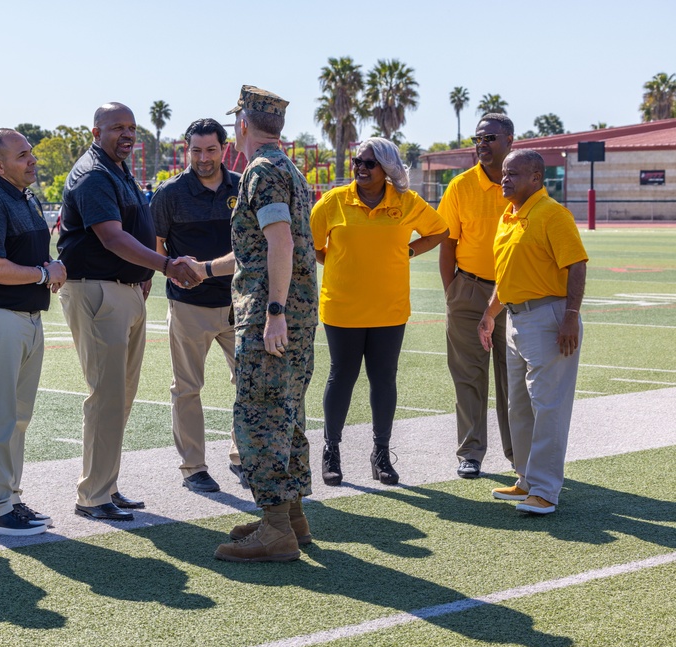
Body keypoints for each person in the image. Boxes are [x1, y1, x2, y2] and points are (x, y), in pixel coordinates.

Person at [183, 85, 319, 562]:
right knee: (287, 415)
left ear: (241, 125)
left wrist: (274, 313)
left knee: (259, 417)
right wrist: (205, 269)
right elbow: (257, 251)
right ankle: (291, 517)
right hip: (296, 317)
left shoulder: (260, 171)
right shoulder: (288, 169)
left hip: (273, 317)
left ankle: (276, 529)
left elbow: (279, 243)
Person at [56, 102, 200, 522]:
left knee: (119, 397)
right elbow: (111, 238)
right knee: (106, 397)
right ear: (95, 130)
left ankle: (106, 485)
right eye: (117, 126)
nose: (127, 133)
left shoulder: (115, 169)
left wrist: (145, 274)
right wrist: (166, 265)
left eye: (131, 127)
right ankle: (93, 495)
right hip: (99, 292)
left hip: (123, 291)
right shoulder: (93, 174)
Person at [310, 138, 448, 487]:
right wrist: (340, 262)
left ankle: (381, 453)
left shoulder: (407, 202)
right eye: (357, 160)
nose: (361, 167)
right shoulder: (333, 201)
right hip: (342, 308)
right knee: (341, 377)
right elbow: (311, 245)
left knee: (384, 379)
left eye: (369, 163)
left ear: (386, 168)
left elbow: (440, 231)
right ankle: (331, 451)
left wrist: (409, 252)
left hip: (390, 308)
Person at [0, 129, 66, 536]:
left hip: (24, 316)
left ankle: (9, 498)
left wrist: (49, 267)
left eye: (31, 153)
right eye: (23, 155)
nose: (32, 160)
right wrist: (43, 273)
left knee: (17, 416)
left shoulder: (22, 197)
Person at [479, 149, 588, 515]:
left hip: (548, 317)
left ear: (536, 178)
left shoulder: (552, 214)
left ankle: (545, 490)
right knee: (519, 406)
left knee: (549, 407)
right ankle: (525, 479)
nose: (504, 179)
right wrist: (489, 314)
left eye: (513, 174)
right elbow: (508, 274)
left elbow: (576, 265)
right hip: (515, 318)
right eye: (504, 174)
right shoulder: (508, 217)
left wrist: (571, 315)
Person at [152, 118, 243, 493]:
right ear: (186, 150)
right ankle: (193, 468)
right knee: (187, 387)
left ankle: (244, 456)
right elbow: (155, 248)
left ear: (225, 147)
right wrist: (170, 272)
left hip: (240, 303)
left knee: (250, 383)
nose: (203, 158)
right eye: (195, 150)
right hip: (190, 306)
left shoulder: (243, 185)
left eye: (210, 149)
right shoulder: (170, 192)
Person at [439, 114, 515, 479]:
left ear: (510, 140)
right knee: (468, 375)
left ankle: (518, 454)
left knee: (512, 376)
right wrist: (452, 292)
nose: (482, 144)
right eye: (478, 138)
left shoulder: (522, 182)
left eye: (490, 138)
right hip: (469, 290)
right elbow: (447, 244)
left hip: (515, 292)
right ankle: (470, 452)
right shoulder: (460, 186)